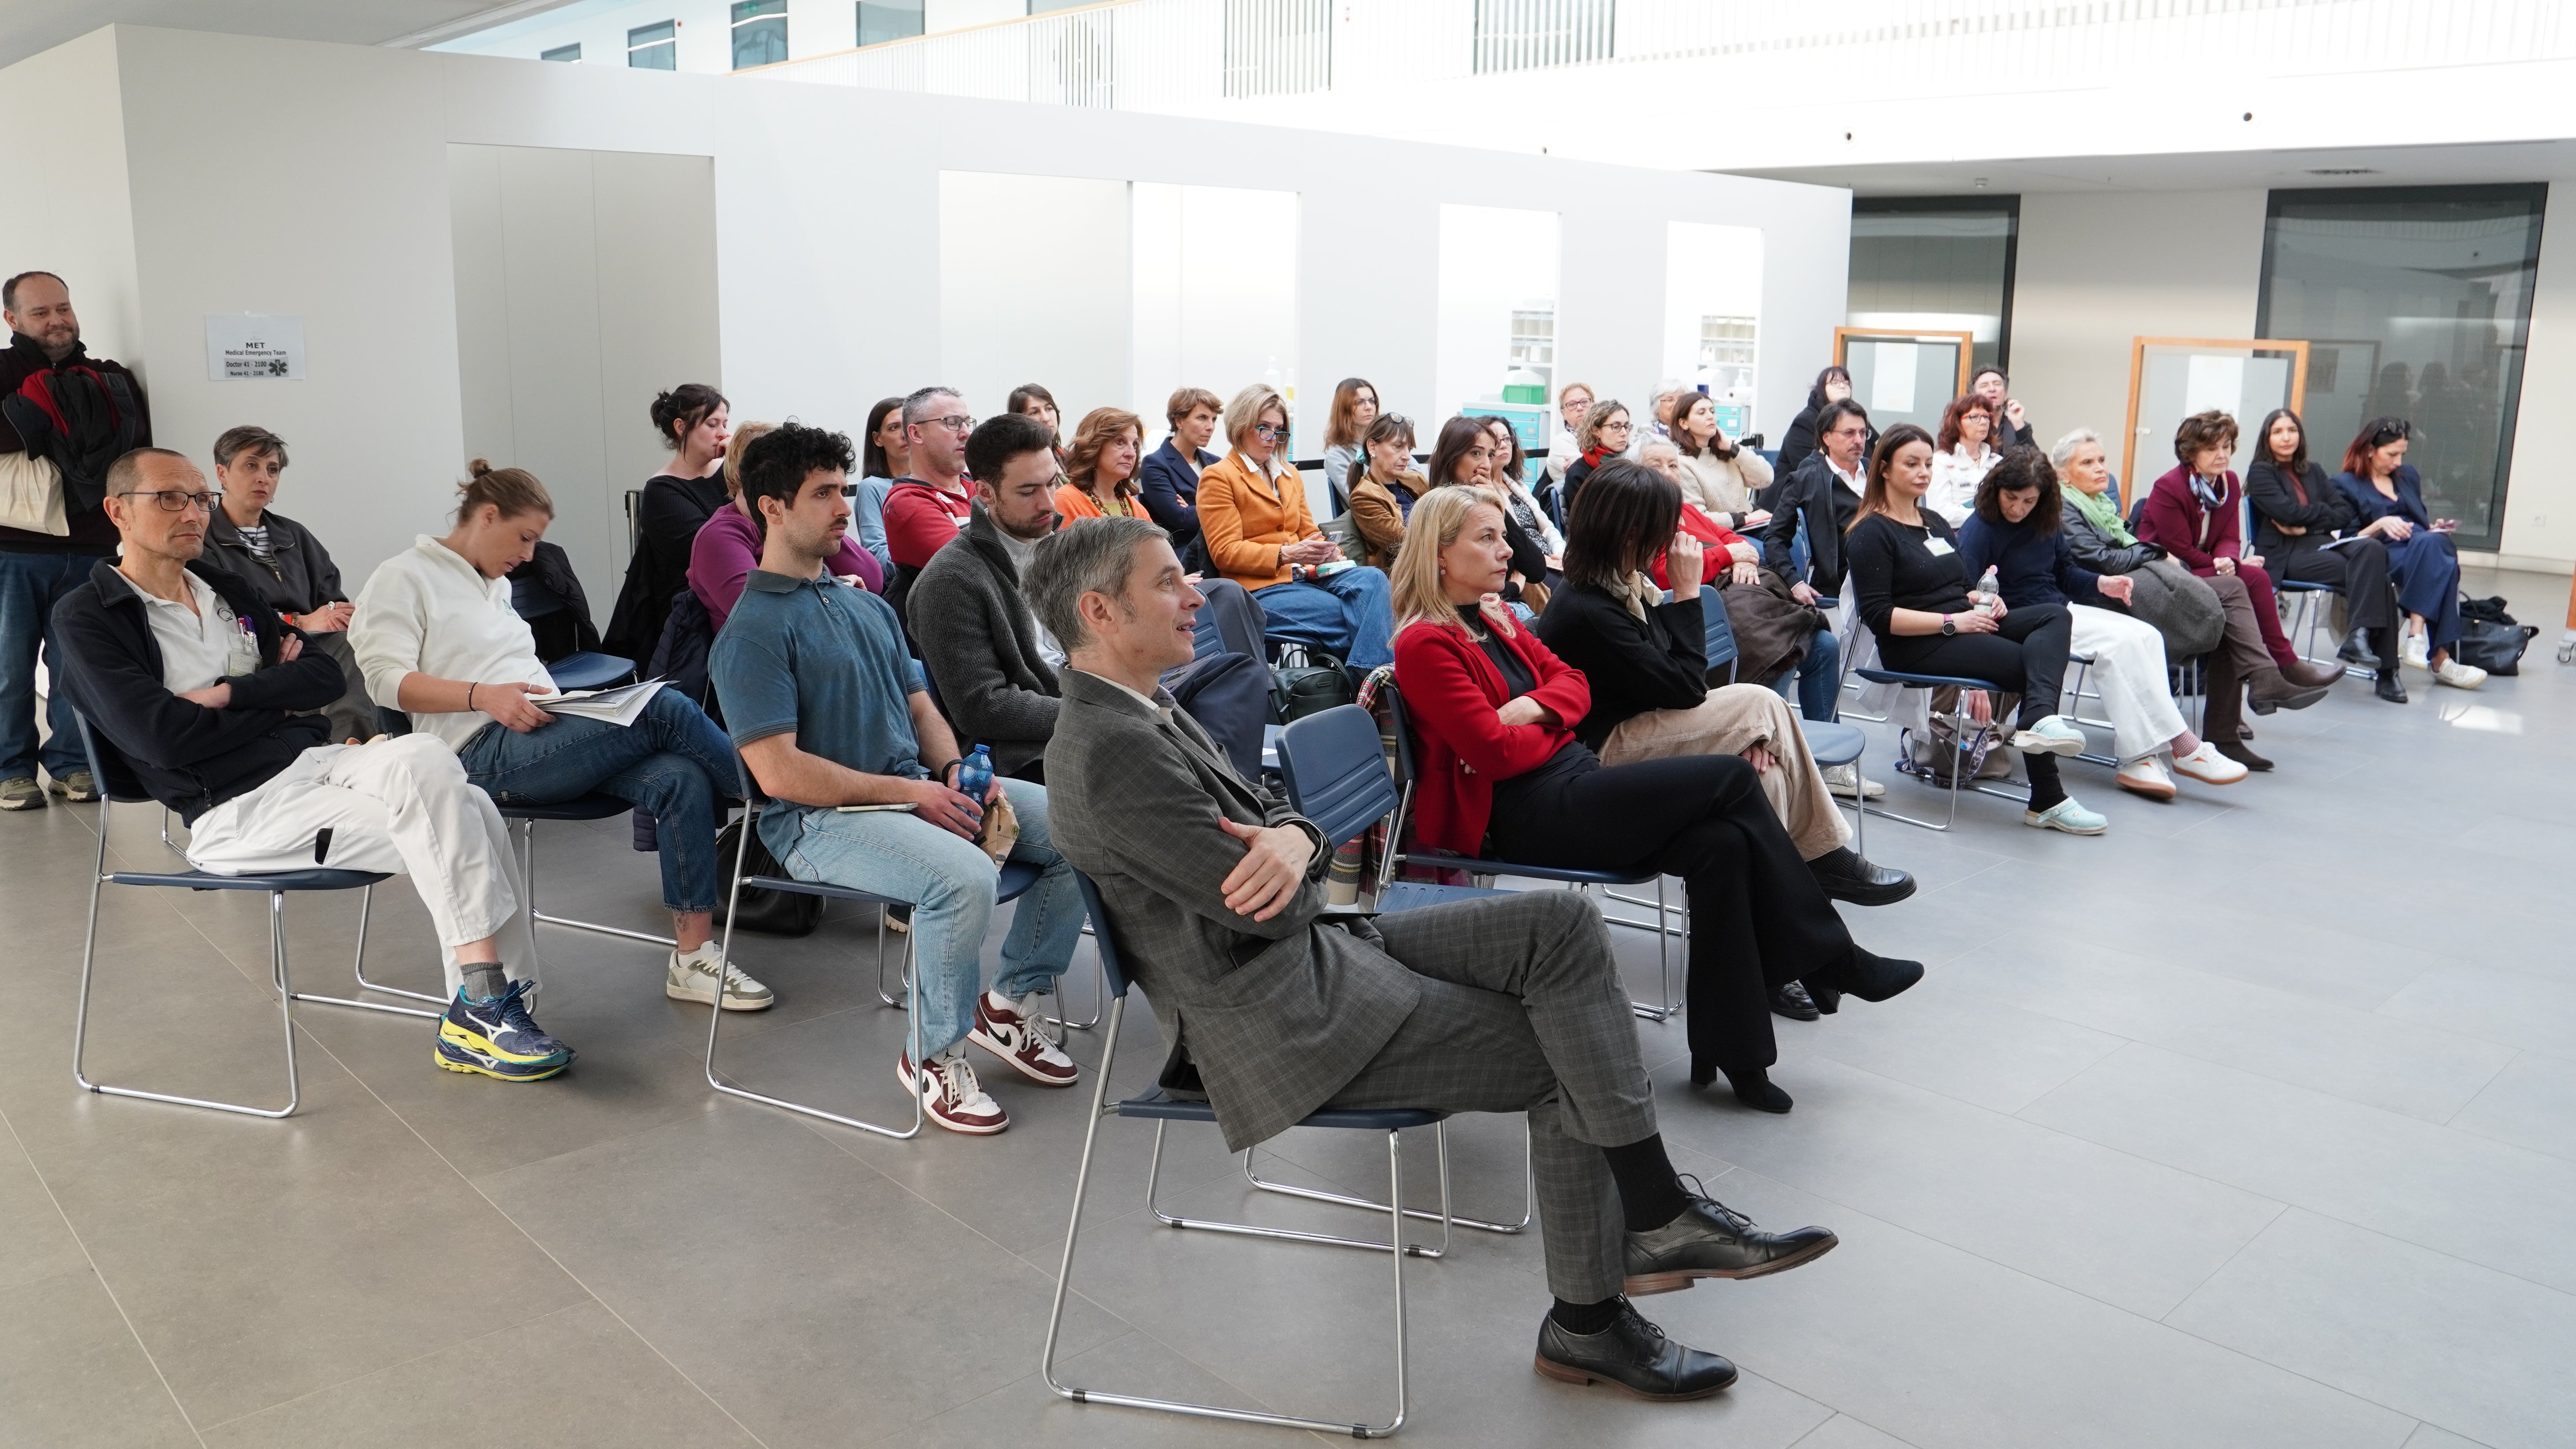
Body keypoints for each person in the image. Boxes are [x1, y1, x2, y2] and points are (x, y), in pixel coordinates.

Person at [1034, 510, 1845, 1401]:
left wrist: (1297, 838)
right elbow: (1267, 911)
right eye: (1167, 582)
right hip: (1276, 1017)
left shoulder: (1142, 708)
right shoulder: (1110, 749)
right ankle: (1592, 1317)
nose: (1197, 595)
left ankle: (1652, 1213)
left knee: (1560, 928)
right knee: (1564, 1057)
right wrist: (1295, 850)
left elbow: (1275, 818)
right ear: (1099, 612)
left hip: (1318, 951)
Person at [1391, 485, 1923, 1111]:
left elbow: (1576, 686)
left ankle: (1738, 1053)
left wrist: (1534, 708)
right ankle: (1832, 956)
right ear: (1439, 555)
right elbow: (1494, 753)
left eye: (1503, 533)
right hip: (1524, 814)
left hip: (1572, 776)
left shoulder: (1495, 617)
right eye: (1487, 538)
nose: (1508, 548)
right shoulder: (1424, 642)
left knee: (1720, 843)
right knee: (1729, 777)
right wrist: (1549, 722)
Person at [54, 449, 565, 1082]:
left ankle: (489, 1007)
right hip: (234, 809)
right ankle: (489, 1004)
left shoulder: (227, 590)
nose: (193, 512)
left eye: (200, 498)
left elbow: (323, 671)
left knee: (429, 758)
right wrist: (276, 690)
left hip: (314, 763)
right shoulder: (87, 616)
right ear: (117, 511)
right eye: (169, 498)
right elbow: (161, 735)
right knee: (469, 807)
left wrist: (229, 693)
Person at [708, 422, 1084, 1135]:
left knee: (1082, 828)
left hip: (908, 791)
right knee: (963, 877)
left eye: (845, 490)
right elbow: (779, 771)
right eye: (822, 494)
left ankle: (1008, 1003)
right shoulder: (752, 630)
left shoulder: (863, 605)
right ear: (771, 508)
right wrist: (917, 792)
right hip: (816, 822)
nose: (845, 508)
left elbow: (919, 704)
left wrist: (954, 769)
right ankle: (933, 1054)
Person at [350, 461, 769, 1013]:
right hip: (475, 754)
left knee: (681, 777)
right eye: (524, 537)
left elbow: (513, 666)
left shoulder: (493, 584)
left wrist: (551, 698)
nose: (528, 555)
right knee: (664, 706)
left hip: (540, 730)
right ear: (487, 515)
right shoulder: (403, 576)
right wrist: (483, 694)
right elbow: (385, 681)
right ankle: (786, 801)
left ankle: (693, 960)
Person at [1534, 458, 1913, 943]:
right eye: (1662, 529)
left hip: (1648, 728)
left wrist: (1741, 739)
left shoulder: (1623, 585)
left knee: (1768, 776)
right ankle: (1823, 859)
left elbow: (1676, 681)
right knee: (1759, 703)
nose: (1672, 540)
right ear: (1630, 534)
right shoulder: (1588, 607)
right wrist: (1689, 590)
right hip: (1605, 752)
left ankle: (1770, 949)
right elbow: (1688, 687)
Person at [1845, 425, 2105, 835]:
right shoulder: (1870, 531)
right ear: (1883, 470)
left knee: (2054, 616)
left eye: (1928, 463)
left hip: (1962, 623)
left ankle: (2037, 721)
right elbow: (1879, 616)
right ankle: (2047, 798)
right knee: (2030, 665)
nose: (1923, 472)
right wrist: (1954, 622)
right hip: (1917, 644)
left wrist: (1980, 599)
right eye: (1911, 464)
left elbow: (1958, 585)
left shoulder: (1932, 521)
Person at [1956, 449, 2248, 801]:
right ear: (1997, 490)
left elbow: (2064, 573)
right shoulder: (1981, 527)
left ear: (2044, 497)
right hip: (2020, 621)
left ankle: (2147, 758)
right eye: (2011, 498)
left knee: (2148, 635)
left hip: (2057, 609)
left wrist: (2100, 584)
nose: (2019, 508)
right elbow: (1964, 590)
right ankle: (2178, 747)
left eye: (2029, 500)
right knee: (2118, 644)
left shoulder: (2045, 520)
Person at [2055, 428, 2321, 773]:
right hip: (2102, 594)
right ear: (2063, 473)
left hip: (2138, 580)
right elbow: (2102, 560)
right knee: (2234, 592)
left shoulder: (2101, 503)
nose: (2100, 468)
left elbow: (2223, 538)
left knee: (2232, 605)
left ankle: (2239, 715)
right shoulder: (2064, 505)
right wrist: (2156, 552)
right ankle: (2258, 685)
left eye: (2102, 460)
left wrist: (2162, 555)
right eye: (2087, 462)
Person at [0, 271, 149, 811]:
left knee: (78, 665)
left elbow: (134, 441)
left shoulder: (110, 375)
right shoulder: (2, 369)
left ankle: (73, 763)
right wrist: (66, 413)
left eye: (63, 307)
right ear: (12, 320)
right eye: (41, 313)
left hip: (92, 545)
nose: (57, 320)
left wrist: (43, 414)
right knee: (8, 668)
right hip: (12, 547)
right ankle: (9, 771)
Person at [2135, 411, 2348, 703]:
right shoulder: (2169, 487)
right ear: (2190, 453)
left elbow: (2229, 537)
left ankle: (2286, 664)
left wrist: (2229, 559)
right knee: (2239, 584)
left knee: (2257, 576)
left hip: (2202, 566)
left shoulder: (2229, 482)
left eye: (2226, 446)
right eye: (2212, 448)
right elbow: (2181, 549)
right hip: (2165, 571)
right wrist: (2223, 565)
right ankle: (2266, 679)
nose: (2222, 455)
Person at [192, 426, 374, 744]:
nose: (264, 477)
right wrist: (298, 622)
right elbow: (220, 616)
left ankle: (369, 745)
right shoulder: (205, 540)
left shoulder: (295, 536)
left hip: (309, 645)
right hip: (249, 649)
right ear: (222, 473)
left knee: (373, 638)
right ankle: (351, 747)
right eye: (251, 466)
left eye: (272, 469)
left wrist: (336, 614)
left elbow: (333, 601)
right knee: (344, 648)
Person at [1195, 384, 1395, 668]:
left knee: (1374, 579)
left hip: (1307, 576)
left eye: (1279, 430)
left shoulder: (1289, 473)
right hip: (1259, 588)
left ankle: (1370, 686)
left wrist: (1327, 549)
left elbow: (1308, 532)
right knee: (1360, 616)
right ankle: (1378, 687)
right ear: (1240, 427)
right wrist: (1287, 554)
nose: (1273, 439)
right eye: (1264, 428)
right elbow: (1225, 552)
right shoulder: (1219, 477)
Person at [914, 412, 1065, 780]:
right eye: (1029, 491)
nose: (1048, 504)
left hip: (1087, 714)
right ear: (985, 492)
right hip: (1026, 754)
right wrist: (1092, 713)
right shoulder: (949, 581)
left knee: (1220, 679)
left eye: (1053, 483)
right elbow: (983, 706)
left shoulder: (1059, 546)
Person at [1639, 442, 1838, 722]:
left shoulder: (1687, 511)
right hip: (1706, 610)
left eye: (1673, 465)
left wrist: (1742, 558)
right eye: (1655, 464)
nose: (1667, 473)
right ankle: (1762, 736)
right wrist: (1726, 555)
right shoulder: (1641, 520)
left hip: (1745, 597)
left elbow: (1734, 539)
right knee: (1779, 653)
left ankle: (1825, 756)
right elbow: (1663, 571)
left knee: (1825, 645)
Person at [2244, 408, 2405, 700]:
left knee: (2372, 548)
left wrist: (2303, 525)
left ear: (2300, 435)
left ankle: (2358, 638)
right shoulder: (2260, 473)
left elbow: (2344, 514)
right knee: (2378, 580)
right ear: (2267, 438)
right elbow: (2287, 513)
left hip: (2319, 545)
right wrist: (2316, 517)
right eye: (2278, 431)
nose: (2286, 437)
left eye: (2291, 430)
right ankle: (2386, 672)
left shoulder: (2313, 470)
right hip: (2286, 556)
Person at [2331, 417, 2485, 690]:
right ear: (2369, 450)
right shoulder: (2345, 485)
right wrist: (2380, 524)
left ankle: (2417, 633)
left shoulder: (2408, 476)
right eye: (2392, 454)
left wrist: (2432, 528)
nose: (2399, 462)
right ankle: (2440, 660)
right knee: (2445, 563)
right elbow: (2347, 539)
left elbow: (2420, 520)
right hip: (2380, 552)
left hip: (2419, 546)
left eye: (2402, 454)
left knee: (2435, 546)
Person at [690, 421, 883, 634]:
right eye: (822, 493)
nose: (845, 510)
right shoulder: (720, 535)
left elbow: (873, 582)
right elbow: (759, 613)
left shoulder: (805, 525)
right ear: (744, 475)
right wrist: (840, 590)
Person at [604, 384, 729, 660]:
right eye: (712, 424)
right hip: (693, 612)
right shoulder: (662, 491)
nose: (723, 434)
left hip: (731, 595)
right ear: (681, 427)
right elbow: (713, 553)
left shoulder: (729, 472)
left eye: (725, 423)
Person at [1426, 417, 1550, 614]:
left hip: (1507, 610)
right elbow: (1450, 586)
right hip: (1462, 614)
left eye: (1490, 455)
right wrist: (1514, 588)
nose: (1486, 464)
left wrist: (1497, 506)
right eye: (1476, 453)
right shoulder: (1433, 511)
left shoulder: (1489, 505)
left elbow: (1536, 570)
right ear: (1452, 457)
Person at [1761, 398, 1872, 609]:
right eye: (1849, 433)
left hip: (1893, 571)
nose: (1858, 440)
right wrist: (1795, 583)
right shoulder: (1805, 480)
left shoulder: (1878, 473)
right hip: (1846, 582)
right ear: (1827, 438)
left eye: (1863, 433)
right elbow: (1775, 538)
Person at [884, 386, 978, 574]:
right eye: (953, 422)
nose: (966, 433)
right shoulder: (908, 503)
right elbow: (976, 566)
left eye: (968, 423)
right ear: (916, 434)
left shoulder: (980, 486)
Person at [1137, 386, 1221, 569]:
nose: (1211, 426)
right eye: (1202, 418)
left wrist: (1194, 506)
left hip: (1221, 549)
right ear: (1179, 421)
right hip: (1186, 559)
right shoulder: (1155, 464)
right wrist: (1223, 506)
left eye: (1214, 419)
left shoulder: (1216, 464)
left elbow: (1243, 510)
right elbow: (1182, 521)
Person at [1668, 391, 1773, 533]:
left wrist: (1733, 448)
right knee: (1770, 549)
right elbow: (1698, 517)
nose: (1710, 416)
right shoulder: (1682, 464)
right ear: (1684, 423)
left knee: (1791, 537)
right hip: (1724, 533)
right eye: (1701, 413)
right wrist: (1746, 518)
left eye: (1712, 411)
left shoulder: (1727, 452)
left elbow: (1766, 479)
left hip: (1754, 524)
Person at [1343, 413, 1426, 571]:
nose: (1408, 456)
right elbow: (1401, 541)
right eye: (1398, 447)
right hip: (1401, 574)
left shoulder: (1416, 480)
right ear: (1373, 447)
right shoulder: (1364, 496)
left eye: (1409, 449)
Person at [1482, 413, 1566, 563]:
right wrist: (1545, 561)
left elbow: (1548, 528)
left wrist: (1560, 552)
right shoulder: (1484, 492)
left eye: (1507, 439)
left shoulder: (1518, 486)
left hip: (1551, 559)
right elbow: (1509, 542)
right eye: (1496, 440)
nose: (1503, 445)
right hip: (1527, 564)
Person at [1051, 408, 1145, 525]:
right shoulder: (1066, 501)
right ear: (1093, 447)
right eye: (1120, 442)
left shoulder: (1138, 510)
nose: (1131, 454)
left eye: (1135, 445)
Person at [1775, 366, 1870, 479]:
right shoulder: (1805, 422)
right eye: (1835, 382)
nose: (1842, 386)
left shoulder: (1857, 421)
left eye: (1846, 383)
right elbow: (1806, 472)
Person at [1925, 393, 2000, 525]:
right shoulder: (1941, 461)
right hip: (1955, 534)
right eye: (1975, 417)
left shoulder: (1998, 462)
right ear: (1957, 422)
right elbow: (1941, 513)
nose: (1983, 422)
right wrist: (1987, 514)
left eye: (1986, 417)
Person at [855, 396, 908, 576]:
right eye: (894, 428)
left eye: (909, 425)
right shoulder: (871, 488)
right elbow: (878, 557)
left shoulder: (940, 479)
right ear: (877, 439)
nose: (905, 434)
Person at [1559, 398, 1635, 520]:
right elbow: (1584, 523)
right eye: (1616, 427)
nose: (1624, 433)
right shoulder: (1579, 474)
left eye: (1627, 427)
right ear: (1596, 431)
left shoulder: (1634, 462)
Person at [1320, 377, 1380, 506]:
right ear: (1344, 409)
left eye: (1372, 401)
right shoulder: (1337, 456)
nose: (1369, 407)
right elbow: (1360, 501)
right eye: (1359, 402)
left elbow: (1416, 476)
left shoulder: (1386, 443)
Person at [1544, 380, 1595, 489]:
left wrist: (1582, 459)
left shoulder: (1602, 436)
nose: (1580, 408)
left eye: (1585, 402)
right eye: (1572, 405)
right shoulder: (1562, 441)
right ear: (1563, 414)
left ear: (1594, 406)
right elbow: (1588, 476)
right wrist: (1583, 463)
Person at [1968, 366, 2035, 449]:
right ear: (1973, 396)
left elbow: (2035, 460)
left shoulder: (2020, 426)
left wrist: (2018, 424)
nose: (1992, 389)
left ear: (2006, 394)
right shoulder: (1966, 426)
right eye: (1984, 386)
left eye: (1997, 384)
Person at [1008, 382, 1065, 464]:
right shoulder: (1019, 464)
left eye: (1049, 409)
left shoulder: (1067, 457)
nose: (1046, 418)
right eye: (1035, 412)